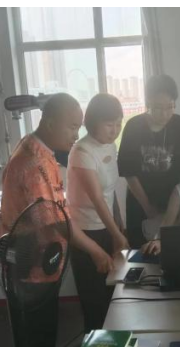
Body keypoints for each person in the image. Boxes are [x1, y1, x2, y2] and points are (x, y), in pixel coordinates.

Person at [0, 93, 113, 347]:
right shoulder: (34, 162)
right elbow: (57, 222)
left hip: (42, 259)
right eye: (71, 127)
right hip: (30, 261)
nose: (76, 135)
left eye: (78, 127)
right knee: (38, 327)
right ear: (49, 123)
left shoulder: (38, 148)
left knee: (45, 323)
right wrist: (96, 250)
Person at [67, 93, 126, 331]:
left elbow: (111, 192)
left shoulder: (110, 145)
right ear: (93, 123)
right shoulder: (82, 151)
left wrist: (119, 226)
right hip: (86, 232)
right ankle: (93, 345)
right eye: (109, 124)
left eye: (119, 124)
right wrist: (117, 235)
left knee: (113, 293)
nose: (115, 130)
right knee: (94, 299)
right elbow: (98, 199)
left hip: (107, 226)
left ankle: (113, 343)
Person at [118, 75, 180, 248]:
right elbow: (129, 172)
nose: (165, 114)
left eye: (170, 107)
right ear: (148, 103)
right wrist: (147, 207)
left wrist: (179, 204)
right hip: (140, 202)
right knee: (141, 251)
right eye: (158, 108)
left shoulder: (179, 125)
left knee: (174, 248)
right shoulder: (134, 126)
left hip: (172, 200)